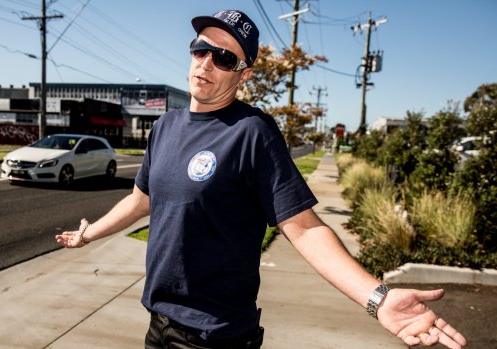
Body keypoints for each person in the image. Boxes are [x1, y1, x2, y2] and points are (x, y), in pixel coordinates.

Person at [55, 9, 467, 349]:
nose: (206, 63)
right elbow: (140, 200)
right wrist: (89, 234)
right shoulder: (165, 126)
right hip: (158, 322)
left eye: (225, 58)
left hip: (214, 336)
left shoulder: (253, 131)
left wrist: (378, 298)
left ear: (244, 75)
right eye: (201, 50)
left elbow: (303, 229)